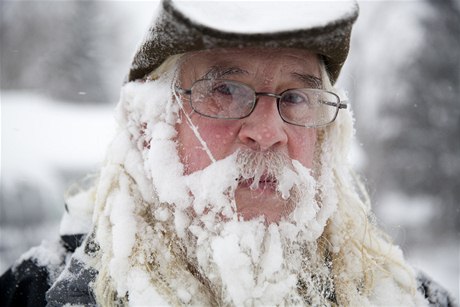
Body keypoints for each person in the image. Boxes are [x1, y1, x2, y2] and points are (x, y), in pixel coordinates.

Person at [0, 1, 455, 306]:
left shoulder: (407, 297)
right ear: (149, 128)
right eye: (224, 90)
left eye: (295, 98)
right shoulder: (36, 293)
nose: (268, 131)